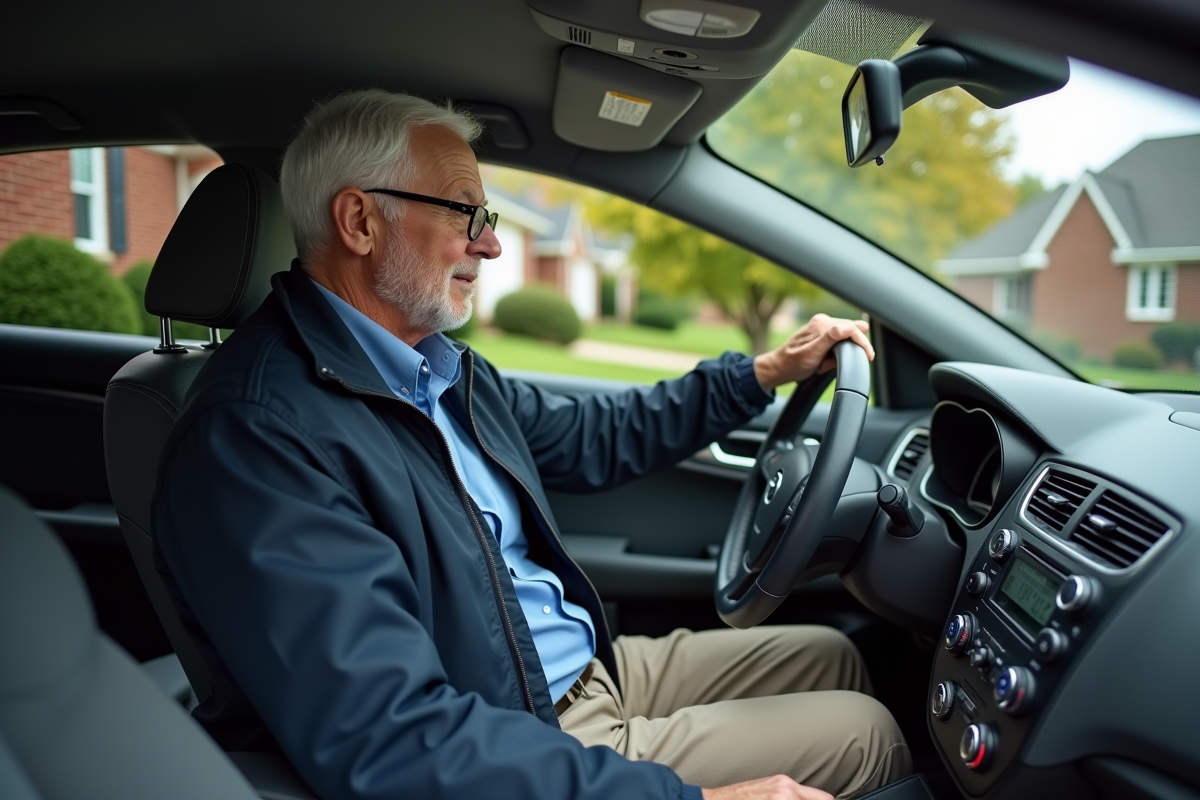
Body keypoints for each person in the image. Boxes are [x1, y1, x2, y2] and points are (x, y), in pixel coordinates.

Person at [153, 89, 911, 800]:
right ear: (359, 222)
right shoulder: (260, 435)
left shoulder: (438, 373)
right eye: (465, 214)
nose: (490, 247)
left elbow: (595, 435)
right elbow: (389, 734)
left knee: (833, 652)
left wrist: (764, 373)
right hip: (518, 730)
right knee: (867, 734)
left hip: (573, 668)